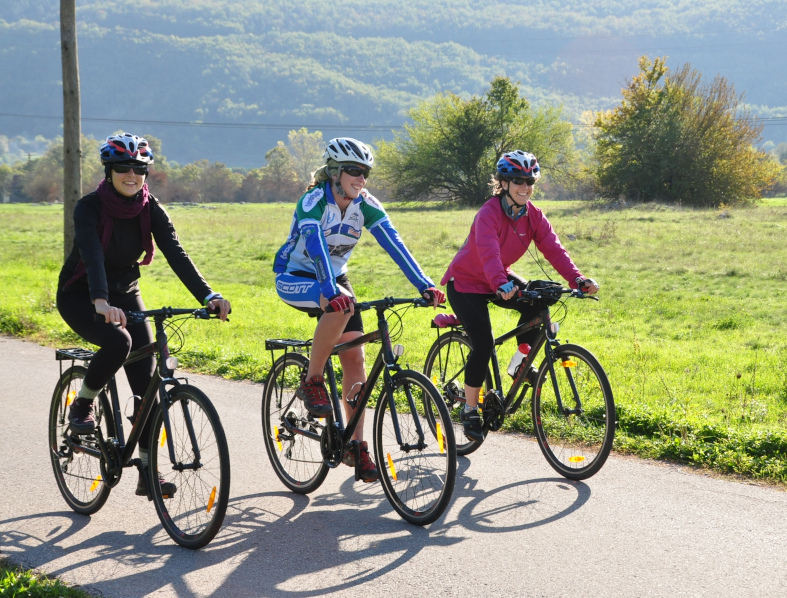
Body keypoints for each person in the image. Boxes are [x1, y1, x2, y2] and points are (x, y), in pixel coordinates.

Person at [57, 132, 231, 498]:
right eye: (123, 167)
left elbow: (177, 255)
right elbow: (92, 255)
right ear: (109, 170)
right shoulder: (89, 207)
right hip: (82, 296)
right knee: (118, 341)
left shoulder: (150, 209)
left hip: (127, 293)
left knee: (147, 389)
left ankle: (147, 472)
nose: (131, 175)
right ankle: (83, 403)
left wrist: (209, 295)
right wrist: (101, 301)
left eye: (139, 168)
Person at [273, 137, 444, 482]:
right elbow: (317, 247)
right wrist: (327, 289)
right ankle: (313, 380)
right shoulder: (314, 200)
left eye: (365, 172)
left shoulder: (364, 204)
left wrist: (424, 284)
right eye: (353, 171)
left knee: (356, 358)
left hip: (336, 279)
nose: (361, 178)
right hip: (297, 276)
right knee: (337, 308)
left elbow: (394, 243)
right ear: (334, 172)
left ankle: (356, 446)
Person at [440, 150, 599, 442]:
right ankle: (470, 410)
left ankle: (519, 364)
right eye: (517, 181)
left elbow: (553, 248)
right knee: (484, 343)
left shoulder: (533, 215)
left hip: (498, 279)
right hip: (466, 283)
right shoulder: (489, 212)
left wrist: (577, 279)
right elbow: (488, 253)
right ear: (503, 183)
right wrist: (500, 283)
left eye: (529, 181)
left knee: (540, 296)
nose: (524, 187)